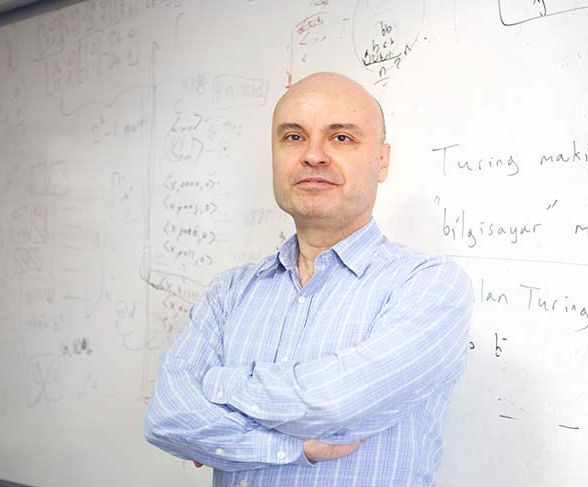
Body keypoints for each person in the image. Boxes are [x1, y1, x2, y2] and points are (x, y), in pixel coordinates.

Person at [144, 72, 473, 487]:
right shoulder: (230, 291)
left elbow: (334, 404)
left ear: (382, 160)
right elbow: (167, 417)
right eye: (294, 137)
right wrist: (293, 447)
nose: (313, 155)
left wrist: (215, 385)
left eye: (341, 138)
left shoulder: (428, 287)